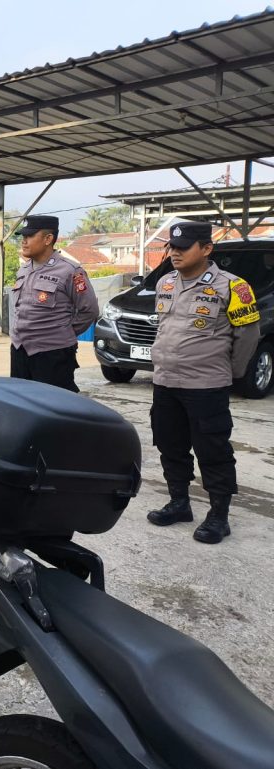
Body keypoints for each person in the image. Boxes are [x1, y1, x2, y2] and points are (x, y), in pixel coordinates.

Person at [146, 222, 260, 544]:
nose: (175, 253)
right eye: (172, 247)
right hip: (166, 381)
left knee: (213, 450)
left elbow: (248, 336)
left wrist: (230, 372)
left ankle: (218, 516)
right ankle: (179, 503)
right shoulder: (166, 282)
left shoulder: (233, 288)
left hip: (206, 385)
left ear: (207, 249)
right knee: (170, 444)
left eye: (184, 247)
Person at [10, 214, 98, 392]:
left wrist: (63, 331)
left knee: (54, 406)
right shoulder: (24, 269)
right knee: (22, 402)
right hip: (20, 350)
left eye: (29, 236)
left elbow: (89, 310)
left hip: (52, 353)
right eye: (23, 237)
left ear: (48, 239)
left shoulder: (70, 270)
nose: (24, 241)